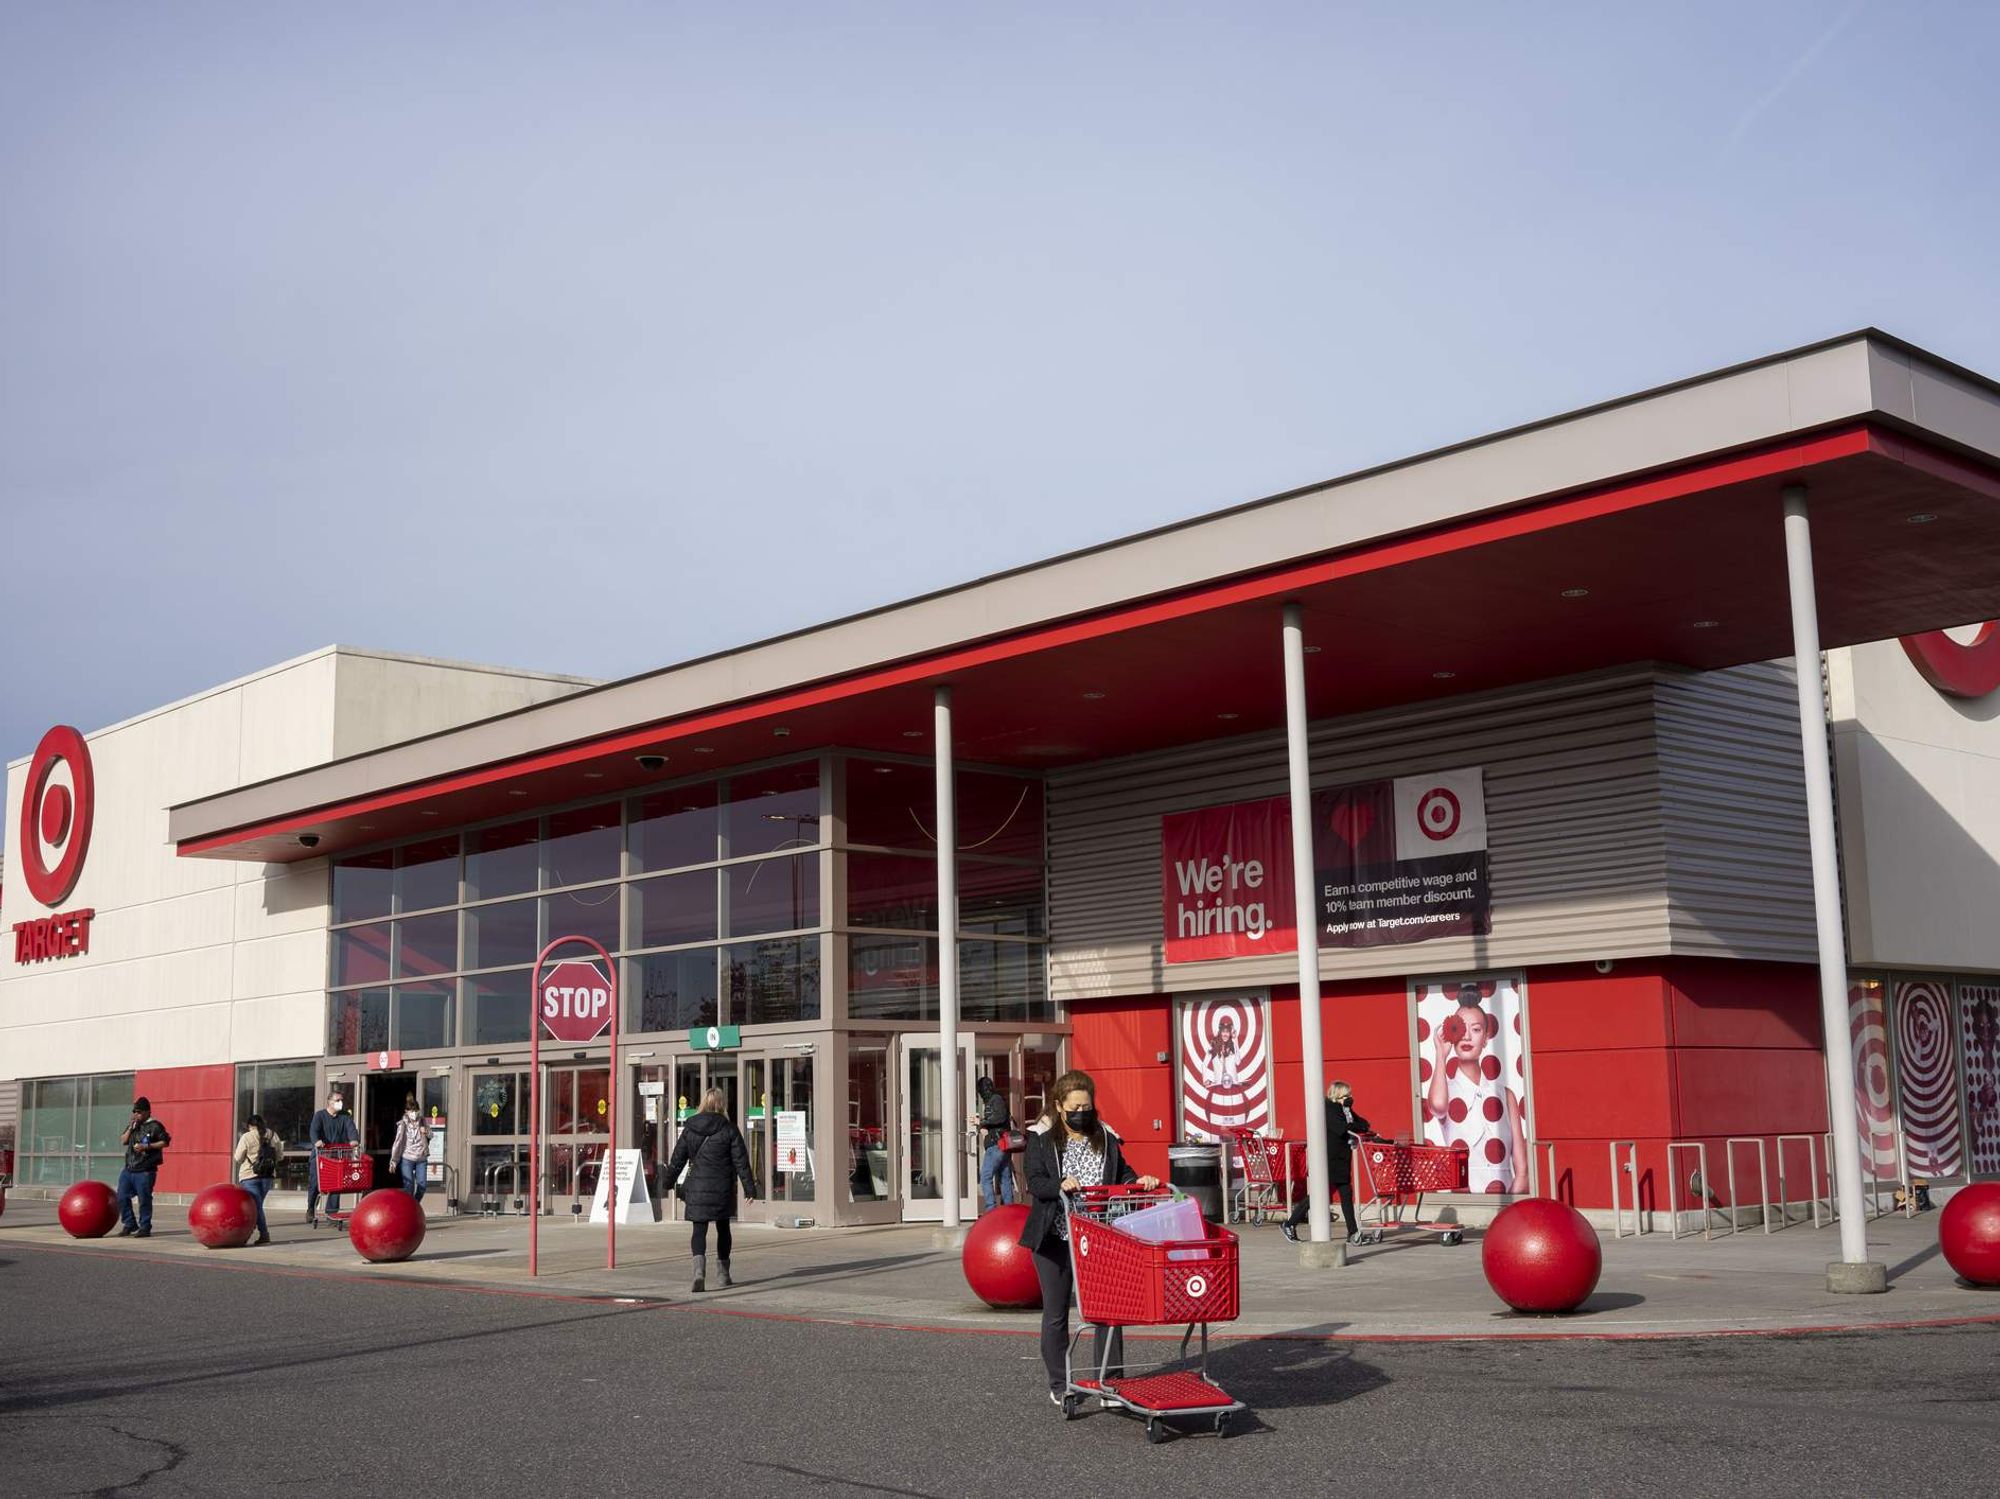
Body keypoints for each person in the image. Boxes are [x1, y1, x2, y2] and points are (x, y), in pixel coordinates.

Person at [1018, 1070, 1160, 1405]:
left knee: (1109, 1312)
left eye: (1087, 1106)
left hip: (1099, 1236)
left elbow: (1122, 1173)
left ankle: (1110, 1383)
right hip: (1056, 1237)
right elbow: (1035, 1181)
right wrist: (1059, 1185)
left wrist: (1140, 1181)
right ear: (1059, 1106)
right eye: (1075, 1107)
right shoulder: (1042, 1139)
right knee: (1056, 1313)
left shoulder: (1106, 1137)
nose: (1082, 1112)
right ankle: (1059, 1383)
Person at [1425, 982, 1530, 1192]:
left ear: (1485, 1038)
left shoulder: (1505, 1095)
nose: (1467, 1036)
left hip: (1505, 1200)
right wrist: (1440, 1055)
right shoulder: (1447, 1090)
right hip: (1464, 1200)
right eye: (1460, 1028)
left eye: (1475, 1029)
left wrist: (1510, 1207)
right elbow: (1436, 1106)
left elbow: (1522, 1171)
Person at [660, 1088, 757, 1293]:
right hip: (721, 1186)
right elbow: (741, 1161)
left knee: (699, 1230)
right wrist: (749, 1188)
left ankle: (698, 1273)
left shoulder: (690, 1128)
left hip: (697, 1186)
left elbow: (677, 1159)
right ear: (722, 1105)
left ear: (703, 1103)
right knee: (723, 1229)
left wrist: (668, 1183)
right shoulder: (729, 1129)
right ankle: (723, 1275)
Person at [1282, 1080, 1371, 1242]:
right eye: (1347, 1095)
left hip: (1342, 1159)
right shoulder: (1329, 1109)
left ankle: (1353, 1233)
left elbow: (1365, 1124)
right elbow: (1341, 1128)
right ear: (1337, 1096)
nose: (1350, 1098)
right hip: (1329, 1160)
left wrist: (1354, 1123)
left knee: (1346, 1195)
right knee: (1317, 1196)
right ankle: (1289, 1224)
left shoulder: (1345, 1109)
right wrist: (1354, 1125)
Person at [115, 1097, 171, 1237]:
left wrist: (147, 1146)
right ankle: (129, 1223)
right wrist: (130, 1128)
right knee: (121, 1196)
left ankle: (145, 1227)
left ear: (147, 1112)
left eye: (139, 1112)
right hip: (129, 1168)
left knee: (144, 1199)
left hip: (145, 1170)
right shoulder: (134, 1125)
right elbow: (123, 1140)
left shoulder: (155, 1125)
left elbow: (165, 1142)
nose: (136, 1114)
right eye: (134, 1111)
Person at [306, 1088, 360, 1228]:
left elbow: (352, 1129)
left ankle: (332, 1213)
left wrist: (354, 1139)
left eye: (341, 1100)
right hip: (321, 1155)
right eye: (337, 1100)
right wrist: (316, 1141)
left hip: (337, 1156)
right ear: (330, 1102)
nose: (340, 1103)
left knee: (336, 1185)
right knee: (316, 1184)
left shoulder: (345, 1117)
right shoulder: (320, 1116)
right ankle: (311, 1207)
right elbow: (313, 1131)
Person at [231, 1111, 281, 1245]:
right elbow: (280, 1156)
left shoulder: (246, 1137)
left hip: (249, 1176)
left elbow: (238, 1158)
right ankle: (248, 1233)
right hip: (268, 1177)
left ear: (250, 1126)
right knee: (256, 1207)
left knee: (256, 1208)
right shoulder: (273, 1135)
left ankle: (264, 1235)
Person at [976, 1076, 1015, 1211]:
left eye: (981, 1090)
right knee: (1005, 1177)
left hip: (996, 1144)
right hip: (1001, 1144)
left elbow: (999, 1117)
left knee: (986, 1177)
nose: (981, 1093)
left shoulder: (995, 1099)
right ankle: (1008, 1208)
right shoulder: (994, 1099)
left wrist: (981, 1122)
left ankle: (991, 1208)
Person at [389, 1096, 431, 1202]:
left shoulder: (423, 1121)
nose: (414, 1113)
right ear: (406, 1111)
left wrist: (426, 1131)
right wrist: (393, 1161)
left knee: (422, 1186)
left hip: (421, 1158)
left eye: (416, 1110)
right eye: (411, 1111)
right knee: (409, 1186)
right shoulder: (402, 1125)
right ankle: (409, 1207)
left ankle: (414, 1204)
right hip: (407, 1158)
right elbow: (397, 1143)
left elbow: (431, 1134)